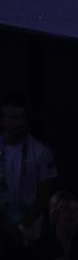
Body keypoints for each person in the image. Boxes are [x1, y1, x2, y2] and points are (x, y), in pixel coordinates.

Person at [0, 95, 58, 238]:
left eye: (21, 117)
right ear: (2, 119)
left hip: (31, 231)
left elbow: (45, 194)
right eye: (12, 118)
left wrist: (22, 225)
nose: (18, 123)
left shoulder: (41, 152)